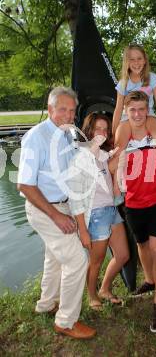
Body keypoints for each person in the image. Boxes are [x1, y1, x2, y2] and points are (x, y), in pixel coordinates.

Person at [17, 86, 96, 339]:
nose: (68, 115)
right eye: (62, 109)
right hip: (45, 209)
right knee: (76, 260)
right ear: (50, 109)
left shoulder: (65, 135)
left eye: (72, 110)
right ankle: (66, 321)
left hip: (62, 205)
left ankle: (47, 303)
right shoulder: (36, 137)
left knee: (54, 257)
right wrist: (56, 215)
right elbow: (25, 185)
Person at [112, 90, 156, 333]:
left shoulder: (155, 126)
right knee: (141, 245)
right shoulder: (122, 131)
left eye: (142, 109)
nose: (138, 114)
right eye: (133, 110)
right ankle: (150, 281)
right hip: (133, 202)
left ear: (147, 109)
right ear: (127, 112)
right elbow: (114, 164)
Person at [67, 113, 129, 310]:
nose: (102, 132)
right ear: (89, 131)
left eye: (105, 129)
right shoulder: (80, 157)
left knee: (123, 255)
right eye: (98, 128)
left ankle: (104, 288)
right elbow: (75, 197)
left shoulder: (102, 154)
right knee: (97, 261)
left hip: (111, 210)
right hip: (95, 215)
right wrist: (83, 229)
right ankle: (92, 295)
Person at [112, 43, 156, 204]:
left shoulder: (152, 79)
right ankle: (116, 189)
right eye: (132, 59)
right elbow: (118, 108)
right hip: (127, 118)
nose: (136, 63)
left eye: (139, 59)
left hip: (148, 115)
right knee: (118, 149)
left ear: (145, 60)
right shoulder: (123, 83)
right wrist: (113, 131)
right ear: (126, 62)